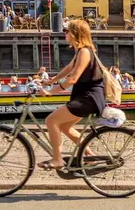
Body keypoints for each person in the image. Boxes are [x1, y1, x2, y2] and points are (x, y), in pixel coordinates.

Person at [38, 19, 105, 170]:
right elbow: (69, 68)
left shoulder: (85, 52)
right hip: (85, 97)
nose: (65, 33)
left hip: (88, 98)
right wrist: (51, 80)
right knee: (65, 126)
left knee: (51, 121)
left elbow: (73, 78)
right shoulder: (81, 51)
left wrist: (51, 93)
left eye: (67, 31)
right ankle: (90, 157)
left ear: (75, 33)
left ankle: (57, 160)